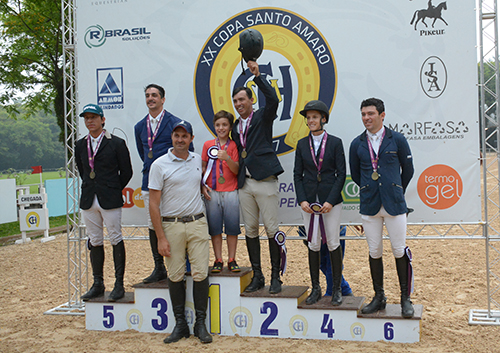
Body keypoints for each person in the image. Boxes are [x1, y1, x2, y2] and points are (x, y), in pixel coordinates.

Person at [349, 97, 415, 318]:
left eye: (371, 114)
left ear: (382, 115)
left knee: (399, 250)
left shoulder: (397, 139)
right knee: (374, 251)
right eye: (363, 114)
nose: (366, 118)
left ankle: (405, 298)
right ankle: (379, 297)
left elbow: (408, 170)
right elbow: (357, 175)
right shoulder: (357, 143)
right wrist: (372, 189)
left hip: (395, 204)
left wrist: (396, 189)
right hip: (370, 205)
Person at [148, 120, 212, 344]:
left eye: (185, 136)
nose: (180, 139)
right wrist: (160, 237)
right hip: (171, 225)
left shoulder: (197, 160)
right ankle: (180, 324)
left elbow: (201, 180)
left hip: (197, 223)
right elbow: (153, 204)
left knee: (201, 272)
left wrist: (203, 186)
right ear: (172, 138)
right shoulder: (159, 165)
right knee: (175, 275)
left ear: (191, 139)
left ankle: (201, 324)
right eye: (177, 135)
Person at [231, 60, 284, 294]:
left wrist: (259, 77)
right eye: (235, 101)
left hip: (265, 180)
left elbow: (273, 100)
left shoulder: (263, 117)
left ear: (251, 100)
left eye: (242, 99)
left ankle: (276, 278)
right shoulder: (234, 127)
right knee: (250, 230)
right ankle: (258, 275)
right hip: (245, 183)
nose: (239, 104)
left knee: (272, 230)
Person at [134, 84, 193, 283]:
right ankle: (159, 267)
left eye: (155, 95)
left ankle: (185, 264)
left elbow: (187, 150)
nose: (151, 98)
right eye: (148, 95)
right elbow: (144, 154)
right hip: (150, 181)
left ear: (163, 99)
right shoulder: (139, 127)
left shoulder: (175, 123)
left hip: (174, 182)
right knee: (154, 223)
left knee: (179, 219)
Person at [75, 103, 133, 302]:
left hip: (110, 198)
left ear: (103, 119)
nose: (90, 121)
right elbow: (82, 170)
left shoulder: (116, 143)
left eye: (93, 117)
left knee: (115, 238)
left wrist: (112, 188)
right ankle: (98, 284)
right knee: (95, 240)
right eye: (86, 118)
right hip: (89, 198)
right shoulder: (80, 144)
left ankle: (119, 284)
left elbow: (126, 172)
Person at [293, 100, 346, 305]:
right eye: (308, 118)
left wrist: (331, 201)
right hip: (309, 202)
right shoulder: (301, 144)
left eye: (314, 117)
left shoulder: (335, 142)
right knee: (313, 243)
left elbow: (341, 174)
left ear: (323, 119)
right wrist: (302, 200)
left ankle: (336, 288)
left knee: (333, 243)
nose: (311, 120)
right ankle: (316, 287)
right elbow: (297, 174)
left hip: (330, 201)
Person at [201, 110, 241, 273]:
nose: (221, 128)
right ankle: (218, 259)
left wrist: (227, 158)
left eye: (224, 125)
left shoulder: (233, 146)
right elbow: (203, 167)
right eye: (218, 125)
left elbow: (237, 170)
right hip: (212, 191)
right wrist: (203, 185)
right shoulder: (207, 145)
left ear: (230, 127)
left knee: (232, 227)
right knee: (215, 227)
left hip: (230, 190)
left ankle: (232, 258)